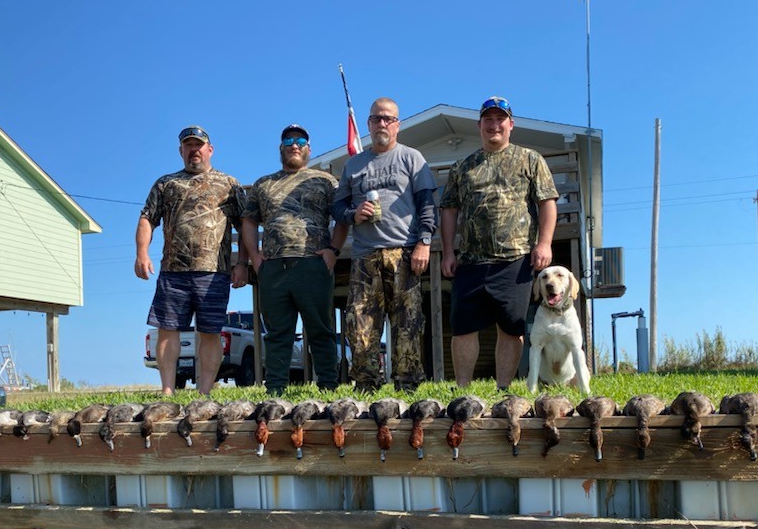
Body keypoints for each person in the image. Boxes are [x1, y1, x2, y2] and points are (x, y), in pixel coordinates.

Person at [440, 96, 560, 388]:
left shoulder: (530, 159)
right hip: (471, 260)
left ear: (510, 124)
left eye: (500, 119)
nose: (494, 125)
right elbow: (449, 209)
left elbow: (547, 202)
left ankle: (504, 390)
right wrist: (447, 252)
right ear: (480, 125)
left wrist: (544, 244)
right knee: (463, 327)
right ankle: (463, 390)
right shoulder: (462, 167)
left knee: (510, 327)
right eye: (488, 120)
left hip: (515, 259)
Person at [332, 97, 437, 393]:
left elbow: (427, 204)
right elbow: (338, 209)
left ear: (397, 125)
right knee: (360, 324)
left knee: (408, 324)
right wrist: (354, 214)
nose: (382, 124)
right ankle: (366, 386)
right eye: (377, 118)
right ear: (368, 123)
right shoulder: (353, 165)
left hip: (404, 252)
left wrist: (424, 243)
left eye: (388, 119)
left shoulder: (412, 158)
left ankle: (407, 388)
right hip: (365, 256)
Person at [235, 124, 348, 394]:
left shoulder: (325, 181)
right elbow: (248, 221)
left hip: (313, 265)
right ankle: (275, 391)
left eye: (300, 140)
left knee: (320, 330)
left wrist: (333, 250)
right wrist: (254, 257)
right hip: (273, 267)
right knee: (277, 334)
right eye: (288, 140)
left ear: (309, 149)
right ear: (281, 148)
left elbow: (343, 216)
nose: (294, 144)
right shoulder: (264, 184)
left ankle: (329, 389)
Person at [135, 126, 246, 395]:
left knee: (209, 333)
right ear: (181, 150)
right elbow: (147, 218)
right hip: (173, 272)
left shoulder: (229, 184)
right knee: (167, 330)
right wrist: (142, 253)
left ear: (210, 149)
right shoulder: (165, 183)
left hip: (214, 273)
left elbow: (244, 226)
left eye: (199, 145)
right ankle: (167, 391)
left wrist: (241, 263)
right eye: (188, 146)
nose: (193, 150)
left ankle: (204, 392)